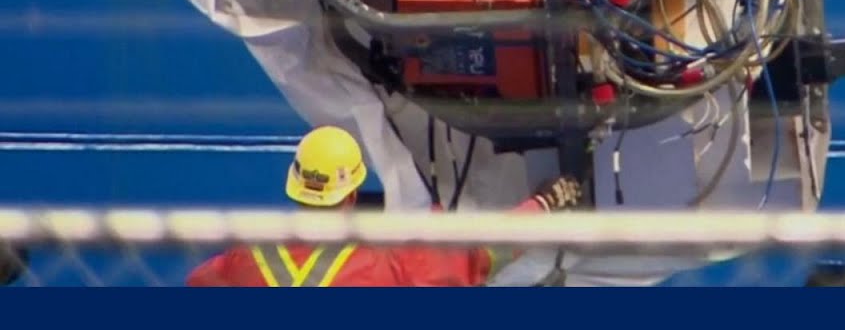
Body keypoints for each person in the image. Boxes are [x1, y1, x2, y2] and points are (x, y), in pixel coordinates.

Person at [187, 125, 582, 287]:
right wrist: (544, 204)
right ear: (352, 193)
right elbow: (480, 253)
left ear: (296, 188)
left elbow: (199, 285)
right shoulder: (386, 260)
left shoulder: (247, 258)